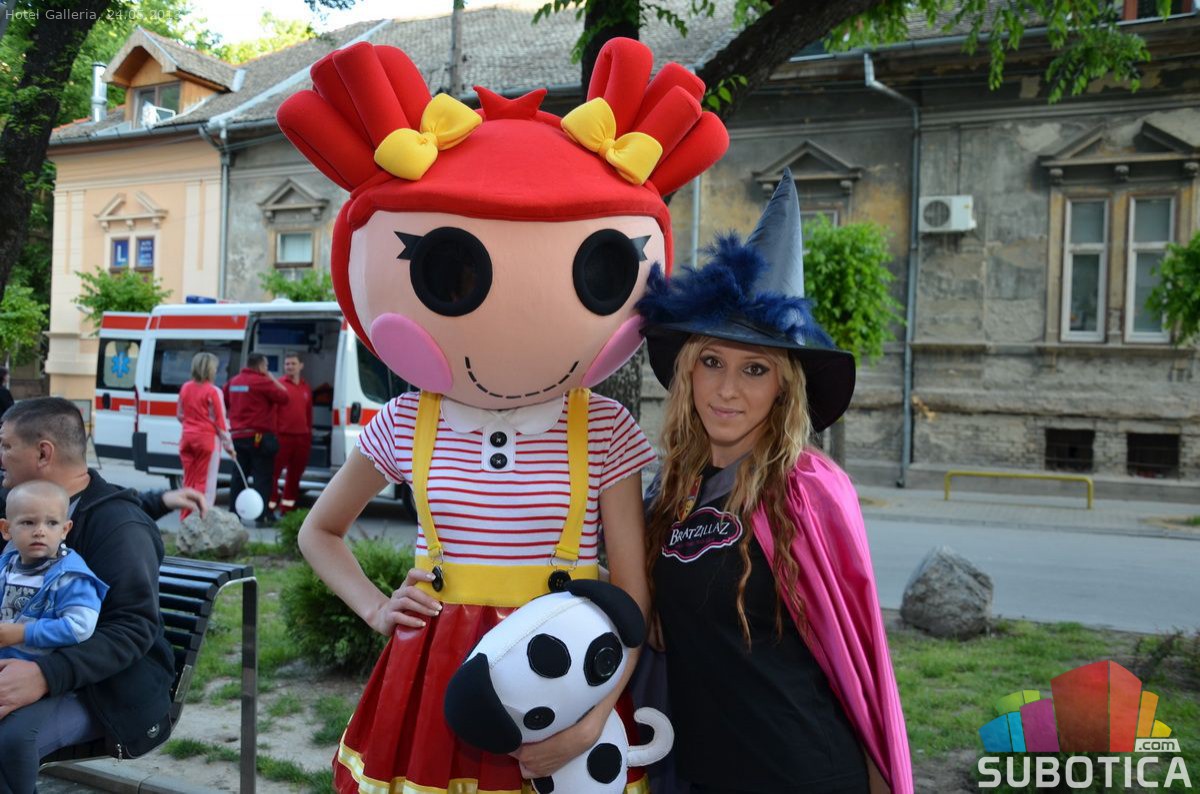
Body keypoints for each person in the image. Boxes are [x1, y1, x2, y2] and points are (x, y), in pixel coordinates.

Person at [276, 37, 727, 793]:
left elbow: (630, 594)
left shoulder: (604, 428)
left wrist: (592, 718)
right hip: (436, 670)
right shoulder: (406, 421)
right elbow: (318, 531)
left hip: (568, 670)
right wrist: (377, 609)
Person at [637, 174, 912, 793]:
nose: (727, 390)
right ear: (687, 372)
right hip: (704, 775)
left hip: (804, 774)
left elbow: (859, 657)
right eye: (712, 362)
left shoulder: (809, 489)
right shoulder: (671, 490)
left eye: (755, 369)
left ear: (785, 386)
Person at [0, 398, 174, 792]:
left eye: (7, 445)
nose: (1, 456)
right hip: (26, 659)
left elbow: (133, 628)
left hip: (105, 686)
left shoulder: (119, 526)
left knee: (10, 739)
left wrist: (46, 675)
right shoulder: (15, 506)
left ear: (43, 453)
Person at [0, 480, 109, 791]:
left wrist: (22, 632)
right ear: (6, 529)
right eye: (28, 523)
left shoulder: (70, 575)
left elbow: (79, 626)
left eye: (51, 523)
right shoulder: (7, 566)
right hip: (8, 668)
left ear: (65, 529)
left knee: (15, 739)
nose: (39, 531)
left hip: (46, 678)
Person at [225, 352, 287, 524]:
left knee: (239, 476)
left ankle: (233, 514)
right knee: (262, 477)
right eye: (266, 366)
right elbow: (284, 397)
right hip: (259, 437)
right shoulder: (262, 381)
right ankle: (261, 516)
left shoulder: (234, 382)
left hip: (238, 436)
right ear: (260, 366)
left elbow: (226, 402)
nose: (266, 369)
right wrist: (271, 378)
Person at [177, 352, 234, 520]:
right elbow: (221, 423)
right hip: (207, 441)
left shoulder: (185, 387)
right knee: (206, 483)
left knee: (188, 480)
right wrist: (229, 447)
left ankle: (185, 518)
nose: (216, 370)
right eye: (215, 368)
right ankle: (202, 520)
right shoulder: (214, 391)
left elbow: (180, 415)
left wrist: (191, 425)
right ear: (210, 369)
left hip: (187, 438)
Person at [269, 352, 312, 515]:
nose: (290, 367)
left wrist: (308, 436)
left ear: (301, 366)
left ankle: (287, 509)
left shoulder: (306, 387)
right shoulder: (279, 385)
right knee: (273, 474)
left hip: (301, 438)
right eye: (287, 364)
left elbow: (308, 415)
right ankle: (270, 507)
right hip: (282, 437)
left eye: (293, 364)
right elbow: (273, 412)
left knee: (295, 476)